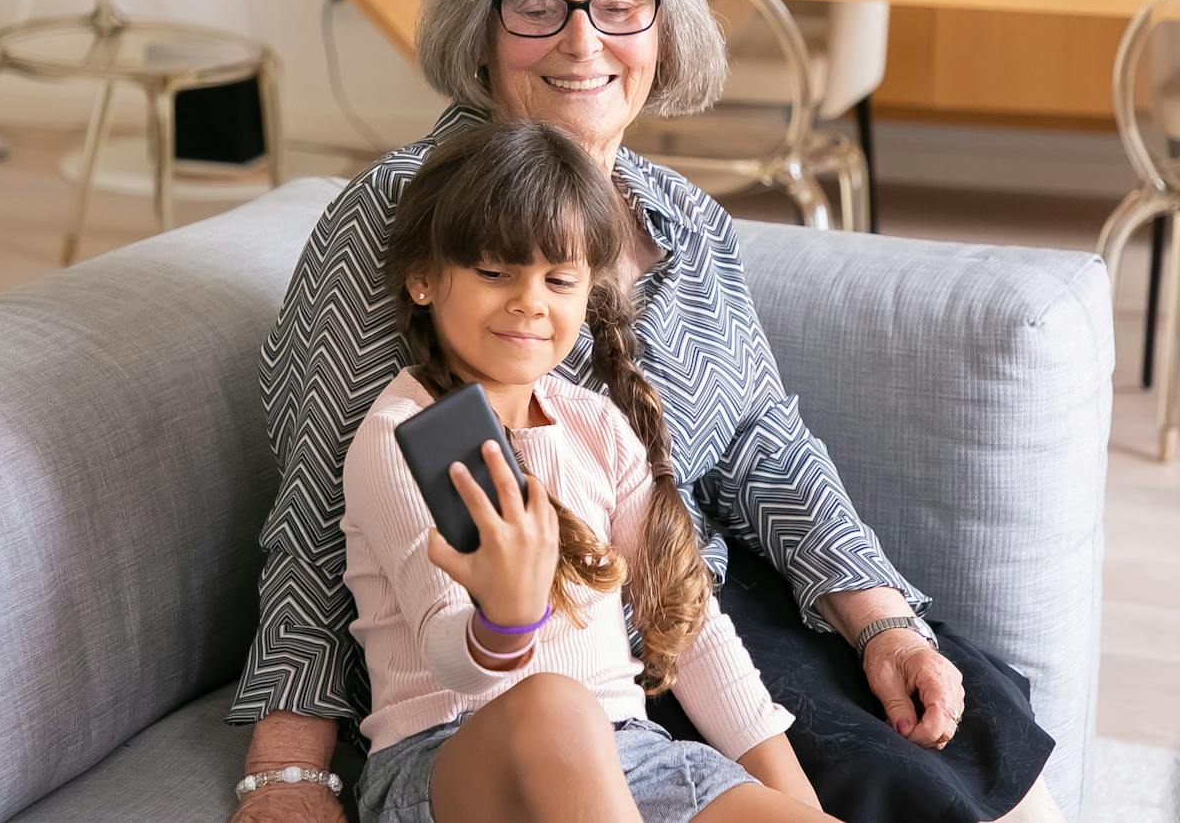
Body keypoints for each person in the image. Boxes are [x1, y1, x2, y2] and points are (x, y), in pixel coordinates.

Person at [227, 0, 1059, 823]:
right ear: (482, 30)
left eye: (618, 4)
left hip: (690, 605)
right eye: (537, 4)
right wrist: (288, 763)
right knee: (901, 785)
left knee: (979, 713)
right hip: (519, 662)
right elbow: (319, 508)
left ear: (661, 27)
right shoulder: (401, 218)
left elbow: (765, 446)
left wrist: (880, 616)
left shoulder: (686, 221)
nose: (582, 42)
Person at [344, 118, 837, 822]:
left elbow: (694, 634)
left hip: (633, 757)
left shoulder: (596, 423)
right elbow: (446, 648)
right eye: (493, 272)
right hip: (451, 761)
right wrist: (506, 621)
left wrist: (800, 805)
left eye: (559, 278)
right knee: (555, 704)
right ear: (423, 278)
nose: (529, 301)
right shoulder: (406, 434)